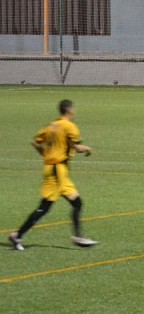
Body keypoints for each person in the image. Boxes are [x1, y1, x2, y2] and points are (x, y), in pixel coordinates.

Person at [8, 99, 98, 251]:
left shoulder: (50, 125)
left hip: (58, 171)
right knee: (45, 207)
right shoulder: (69, 126)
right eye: (74, 109)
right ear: (70, 110)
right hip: (57, 171)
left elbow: (35, 142)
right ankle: (18, 235)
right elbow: (75, 146)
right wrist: (87, 149)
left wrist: (45, 154)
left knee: (77, 203)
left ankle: (78, 237)